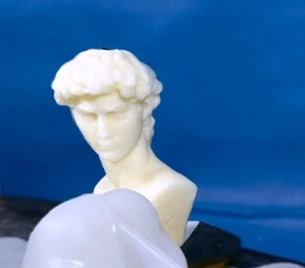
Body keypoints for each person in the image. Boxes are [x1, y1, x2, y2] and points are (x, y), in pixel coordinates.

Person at [52, 48, 197, 246]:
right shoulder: (102, 190)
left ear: (145, 108)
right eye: (88, 116)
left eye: (117, 114)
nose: (103, 133)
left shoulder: (171, 190)